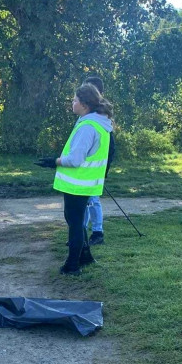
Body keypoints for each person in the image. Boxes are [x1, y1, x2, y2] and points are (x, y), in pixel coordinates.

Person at [37, 83, 113, 275]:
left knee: (75, 224)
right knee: (76, 222)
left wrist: (54, 161)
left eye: (75, 100)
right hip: (84, 183)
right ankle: (85, 256)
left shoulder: (88, 126)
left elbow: (76, 159)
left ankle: (72, 266)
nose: (72, 103)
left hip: (77, 184)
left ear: (85, 105)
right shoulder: (96, 123)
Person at [82, 76, 115, 246]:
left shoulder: (101, 116)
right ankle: (81, 231)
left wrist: (104, 171)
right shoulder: (88, 114)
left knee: (92, 200)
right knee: (86, 200)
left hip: (95, 169)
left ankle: (97, 232)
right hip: (86, 169)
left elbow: (111, 149)